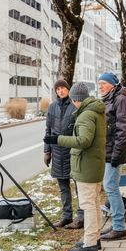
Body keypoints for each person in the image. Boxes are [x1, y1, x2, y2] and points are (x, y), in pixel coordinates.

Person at [44, 82, 106, 251]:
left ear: (76, 99)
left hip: (86, 165)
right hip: (93, 164)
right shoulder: (95, 111)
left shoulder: (86, 115)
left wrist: (59, 140)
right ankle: (94, 237)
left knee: (88, 204)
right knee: (93, 203)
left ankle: (90, 243)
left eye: (72, 98)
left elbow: (83, 141)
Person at [43, 79, 84, 229]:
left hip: (72, 151)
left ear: (68, 89)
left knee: (78, 184)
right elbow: (48, 130)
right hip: (57, 151)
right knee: (63, 186)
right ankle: (67, 216)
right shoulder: (52, 107)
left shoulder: (75, 105)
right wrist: (47, 151)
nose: (61, 91)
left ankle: (81, 216)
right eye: (58, 89)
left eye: (63, 88)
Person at [97, 71, 126, 241]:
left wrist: (116, 155)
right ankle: (117, 224)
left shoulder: (121, 99)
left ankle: (119, 227)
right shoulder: (111, 98)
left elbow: (124, 130)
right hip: (109, 151)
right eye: (99, 84)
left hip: (114, 152)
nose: (100, 86)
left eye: (103, 83)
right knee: (111, 186)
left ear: (112, 84)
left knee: (110, 186)